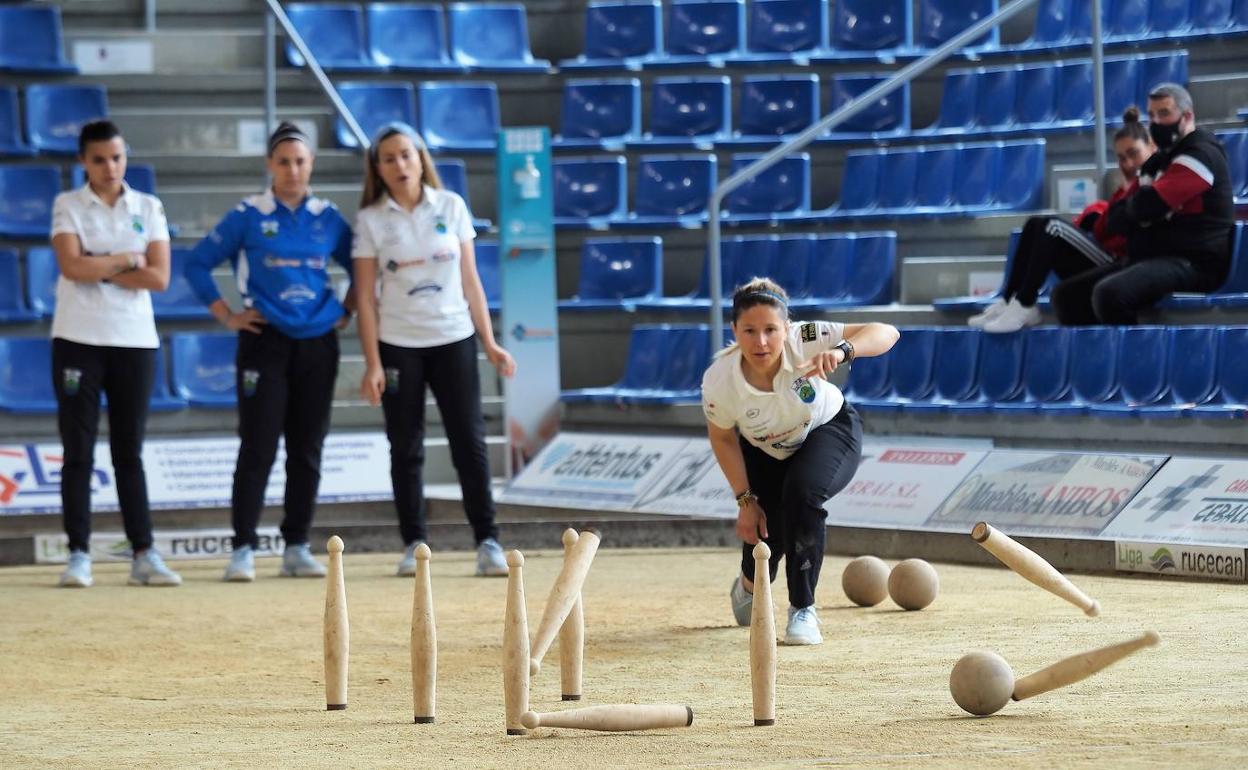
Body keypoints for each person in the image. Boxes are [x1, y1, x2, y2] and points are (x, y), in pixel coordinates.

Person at [185, 122, 354, 582]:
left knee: (308, 448)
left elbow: (364, 264)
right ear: (269, 165)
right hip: (264, 342)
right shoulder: (248, 214)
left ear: (311, 164)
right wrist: (227, 314)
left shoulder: (329, 217)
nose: (293, 170)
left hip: (319, 344)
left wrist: (346, 310)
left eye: (301, 161)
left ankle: (296, 544)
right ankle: (242, 547)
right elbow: (197, 263)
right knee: (258, 446)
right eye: (284, 161)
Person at [351, 122, 516, 577]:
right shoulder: (370, 220)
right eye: (389, 158)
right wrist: (372, 363)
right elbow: (365, 298)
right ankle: (414, 543)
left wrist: (490, 342)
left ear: (420, 158)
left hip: (454, 340)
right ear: (377, 168)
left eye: (406, 154)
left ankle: (487, 540)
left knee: (470, 443)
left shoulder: (451, 206)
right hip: (398, 344)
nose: (400, 164)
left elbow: (471, 282)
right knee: (405, 446)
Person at [702, 278, 898, 645]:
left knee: (802, 496)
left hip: (828, 429)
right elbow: (723, 437)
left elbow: (887, 332)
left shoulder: (806, 337)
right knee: (765, 533)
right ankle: (748, 583)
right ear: (734, 331)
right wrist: (745, 501)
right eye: (750, 331)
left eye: (771, 330)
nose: (761, 342)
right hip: (763, 449)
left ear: (786, 328)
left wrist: (843, 351)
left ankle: (802, 609)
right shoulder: (719, 381)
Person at [50, 120, 182, 588]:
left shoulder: (148, 205)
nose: (110, 167)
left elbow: (160, 278)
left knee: (130, 451)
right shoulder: (67, 204)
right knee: (77, 451)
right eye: (100, 159)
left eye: (117, 157)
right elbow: (70, 265)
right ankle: (78, 553)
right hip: (76, 338)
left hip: (134, 340)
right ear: (83, 161)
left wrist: (97, 266)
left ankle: (143, 553)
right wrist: (128, 259)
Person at [1050, 83, 1235, 325]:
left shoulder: (1201, 154)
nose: (1156, 122)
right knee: (1066, 296)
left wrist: (1142, 213)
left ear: (1187, 116)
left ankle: (1134, 360)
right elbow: (1117, 217)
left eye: (1165, 114)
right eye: (1152, 115)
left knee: (1111, 295)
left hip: (1195, 263)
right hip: (1155, 257)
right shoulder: (1157, 162)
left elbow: (1147, 206)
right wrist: (1140, 212)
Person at [970, 107, 1157, 333]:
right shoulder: (1123, 191)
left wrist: (1104, 218)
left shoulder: (1154, 185)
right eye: (1121, 157)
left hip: (1123, 266)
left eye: (1133, 153)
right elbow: (1105, 225)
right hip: (1106, 257)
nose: (1127, 163)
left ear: (1151, 147)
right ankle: (1009, 299)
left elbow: (1124, 233)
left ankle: (1026, 303)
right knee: (1035, 224)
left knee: (1053, 227)